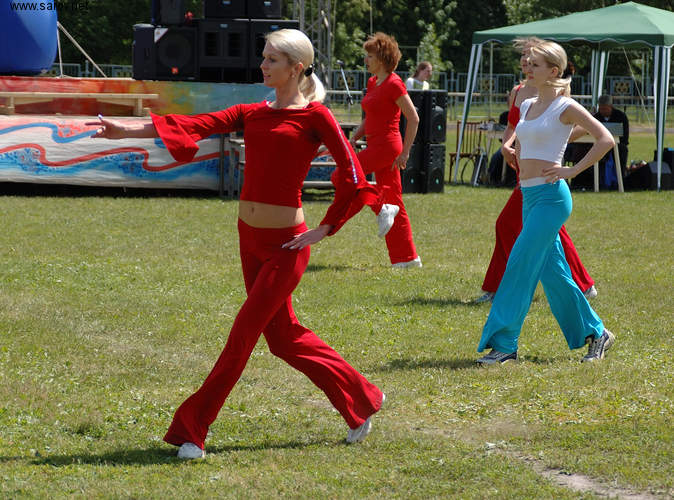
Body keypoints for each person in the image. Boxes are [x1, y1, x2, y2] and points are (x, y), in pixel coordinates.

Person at [89, 29, 386, 458]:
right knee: (284, 339)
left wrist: (326, 227)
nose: (263, 65)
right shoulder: (252, 112)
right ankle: (362, 398)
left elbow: (355, 175)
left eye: (272, 59)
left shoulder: (315, 117)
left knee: (241, 337)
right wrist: (126, 129)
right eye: (263, 57)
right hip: (250, 241)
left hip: (287, 247)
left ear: (296, 68)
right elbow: (195, 124)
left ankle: (193, 430)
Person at [476, 40, 616, 365]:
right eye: (528, 62)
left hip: (552, 198)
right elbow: (530, 141)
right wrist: (513, 151)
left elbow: (605, 138)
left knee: (519, 264)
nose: (528, 66)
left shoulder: (566, 106)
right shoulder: (527, 104)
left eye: (535, 64)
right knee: (554, 276)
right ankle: (597, 333)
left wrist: (572, 170)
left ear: (554, 71)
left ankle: (504, 345)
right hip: (529, 195)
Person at [475, 38, 597, 304]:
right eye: (524, 57)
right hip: (524, 171)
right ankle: (582, 287)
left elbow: (573, 127)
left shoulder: (556, 95)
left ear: (550, 67)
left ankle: (500, 289)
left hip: (545, 174)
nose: (526, 62)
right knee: (551, 235)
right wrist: (506, 146)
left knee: (509, 226)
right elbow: (513, 128)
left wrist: (558, 150)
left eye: (532, 59)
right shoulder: (520, 93)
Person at [344, 32, 422, 268]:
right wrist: (355, 137)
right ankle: (407, 258)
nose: (365, 60)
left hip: (388, 147)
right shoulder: (372, 82)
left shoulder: (394, 84)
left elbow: (414, 118)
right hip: (375, 145)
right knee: (394, 200)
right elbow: (371, 116)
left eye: (370, 56)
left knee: (343, 175)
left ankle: (380, 208)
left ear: (382, 58)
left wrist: (405, 152)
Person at [594, 94, 629, 187]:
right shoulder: (596, 117)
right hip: (599, 145)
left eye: (605, 109)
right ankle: (599, 181)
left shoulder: (621, 116)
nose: (603, 111)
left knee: (623, 150)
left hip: (618, 145)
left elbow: (625, 137)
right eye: (601, 109)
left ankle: (619, 180)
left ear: (611, 107)